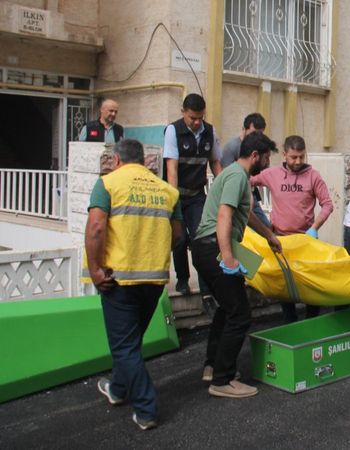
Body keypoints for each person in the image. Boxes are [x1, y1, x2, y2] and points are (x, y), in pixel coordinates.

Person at [83, 139, 182, 430]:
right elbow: (177, 235)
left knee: (124, 345)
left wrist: (95, 269)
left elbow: (97, 227)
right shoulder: (167, 190)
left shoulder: (109, 183)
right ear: (146, 162)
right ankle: (117, 389)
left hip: (119, 279)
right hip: (153, 279)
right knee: (130, 341)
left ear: (116, 160)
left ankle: (146, 408)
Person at [192, 131, 283, 398]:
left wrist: (268, 235)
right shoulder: (235, 177)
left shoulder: (237, 176)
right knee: (240, 314)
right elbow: (225, 215)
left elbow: (246, 214)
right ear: (255, 156)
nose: (267, 163)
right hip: (214, 247)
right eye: (266, 158)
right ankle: (223, 379)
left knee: (227, 308)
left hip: (209, 246)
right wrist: (228, 257)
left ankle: (213, 366)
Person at [250, 135, 333, 323]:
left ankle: (312, 321)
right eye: (294, 157)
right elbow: (247, 181)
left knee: (312, 283)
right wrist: (248, 198)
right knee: (285, 284)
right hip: (281, 240)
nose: (298, 161)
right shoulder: (272, 174)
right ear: (284, 154)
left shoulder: (313, 176)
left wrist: (314, 227)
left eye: (302, 157)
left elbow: (327, 205)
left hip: (306, 240)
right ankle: (290, 321)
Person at [163, 93, 223, 298]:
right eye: (192, 118)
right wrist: (174, 202)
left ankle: (206, 285)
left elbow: (215, 163)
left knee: (202, 238)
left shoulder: (210, 131)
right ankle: (182, 279)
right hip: (177, 194)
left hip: (198, 195)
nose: (197, 123)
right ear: (183, 113)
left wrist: (224, 187)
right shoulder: (173, 131)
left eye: (200, 118)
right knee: (180, 238)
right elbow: (172, 170)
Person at [221, 113, 274, 227]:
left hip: (252, 194)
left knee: (266, 227)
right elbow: (225, 176)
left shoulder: (260, 148)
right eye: (253, 133)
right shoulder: (232, 147)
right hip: (235, 195)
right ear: (244, 129)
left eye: (260, 134)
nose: (255, 137)